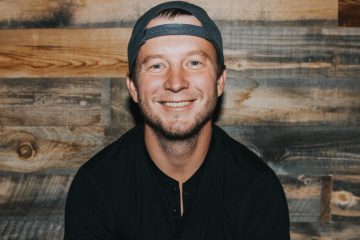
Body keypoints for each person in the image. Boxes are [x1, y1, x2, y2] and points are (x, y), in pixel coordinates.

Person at [64, 1, 290, 239]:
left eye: (194, 63)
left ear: (220, 81)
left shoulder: (257, 189)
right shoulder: (97, 186)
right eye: (157, 65)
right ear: (133, 87)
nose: (175, 82)